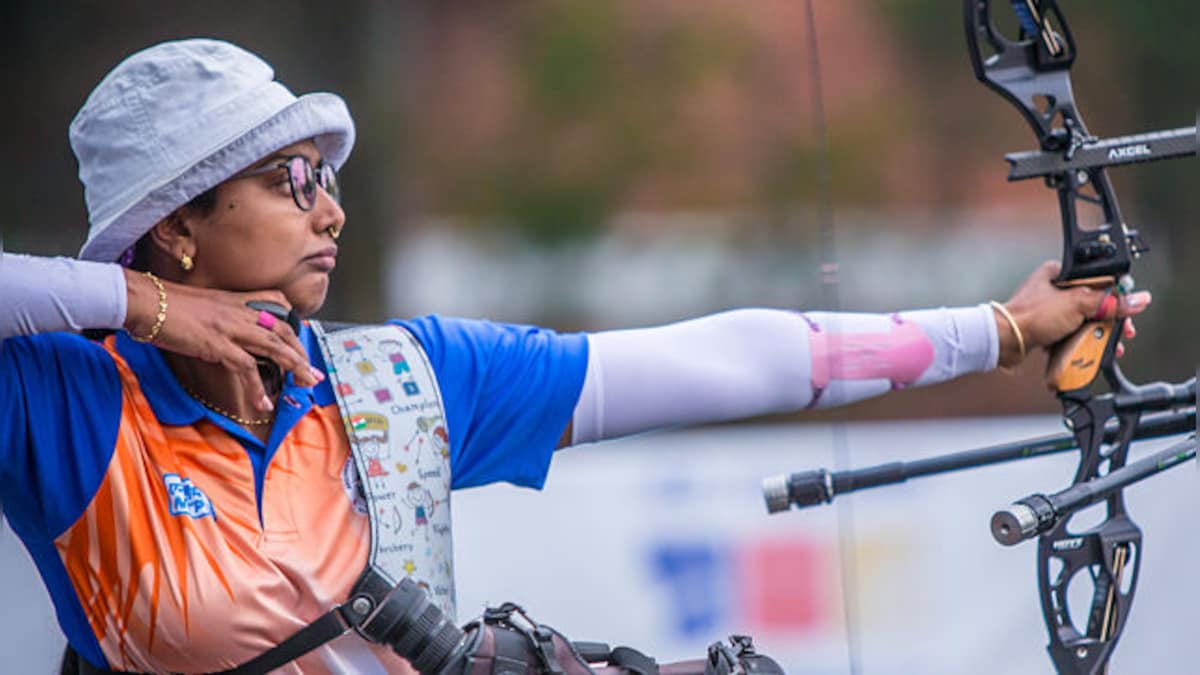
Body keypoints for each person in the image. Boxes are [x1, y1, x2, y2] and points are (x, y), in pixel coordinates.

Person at [0, 39, 1148, 675]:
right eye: (288, 182)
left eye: (330, 178)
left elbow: (724, 360)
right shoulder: (62, 400)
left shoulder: (400, 379)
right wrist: (144, 308)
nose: (330, 212)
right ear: (177, 226)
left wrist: (997, 331)